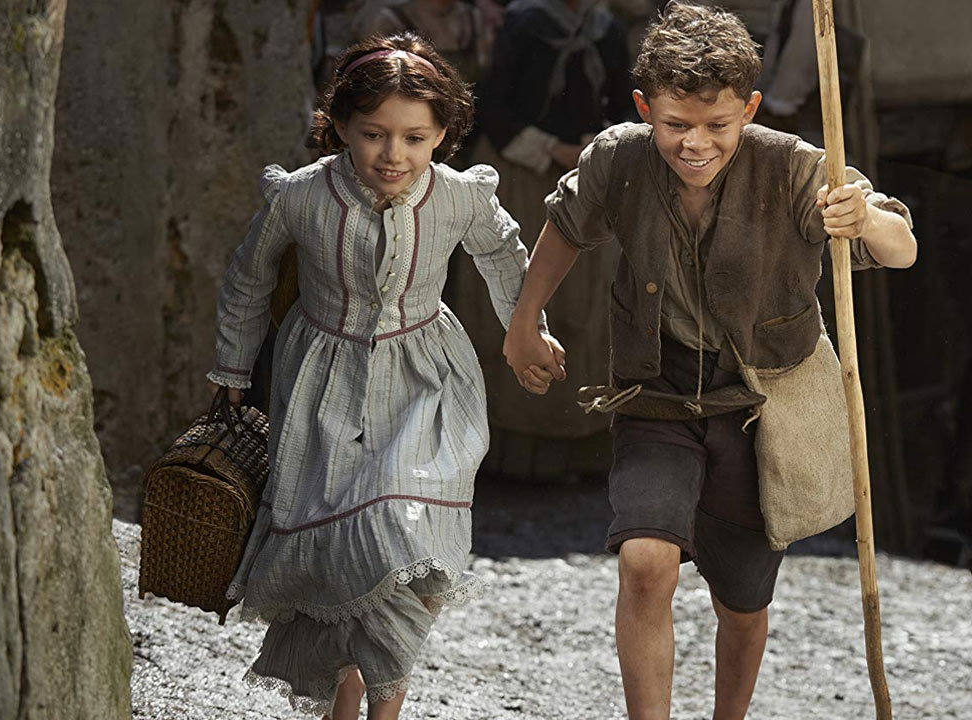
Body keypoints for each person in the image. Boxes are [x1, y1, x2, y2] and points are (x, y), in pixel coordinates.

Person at [502, 3, 917, 718]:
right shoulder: (619, 158)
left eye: (718, 125)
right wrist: (524, 321)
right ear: (645, 109)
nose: (695, 144)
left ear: (748, 110)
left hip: (760, 408)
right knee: (644, 560)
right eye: (675, 125)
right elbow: (565, 225)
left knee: (743, 602)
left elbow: (900, 248)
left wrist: (867, 220)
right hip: (657, 395)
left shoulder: (795, 168)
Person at [206, 33, 554, 719]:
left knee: (408, 537)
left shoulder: (460, 196)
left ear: (442, 134)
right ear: (339, 125)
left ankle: (384, 707)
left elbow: (504, 258)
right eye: (373, 134)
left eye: (415, 138)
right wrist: (231, 368)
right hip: (322, 387)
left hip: (429, 381)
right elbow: (247, 279)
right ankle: (346, 698)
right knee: (345, 553)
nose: (394, 154)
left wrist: (527, 333)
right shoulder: (300, 197)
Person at [449, 0, 636, 477]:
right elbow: (493, 104)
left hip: (587, 182)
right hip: (525, 179)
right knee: (516, 298)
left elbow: (623, 105)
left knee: (585, 309)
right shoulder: (524, 22)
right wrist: (551, 148)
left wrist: (595, 147)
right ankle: (513, 456)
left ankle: (579, 449)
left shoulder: (607, 29)